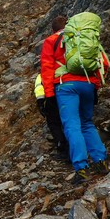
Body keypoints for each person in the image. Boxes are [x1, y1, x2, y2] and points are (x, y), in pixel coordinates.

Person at [40, 15, 109, 185]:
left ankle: (81, 168)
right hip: (88, 84)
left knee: (72, 125)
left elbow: (47, 69)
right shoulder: (84, 37)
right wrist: (95, 85)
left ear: (54, 29)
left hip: (66, 86)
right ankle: (100, 161)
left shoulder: (51, 41)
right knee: (87, 123)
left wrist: (49, 95)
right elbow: (104, 63)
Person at [36, 17, 69, 161]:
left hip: (58, 87)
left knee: (55, 121)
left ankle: (63, 148)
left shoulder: (51, 41)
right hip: (83, 83)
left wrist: (44, 99)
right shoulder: (78, 39)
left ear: (53, 30)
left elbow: (45, 73)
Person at [34, 73, 68, 161]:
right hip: (68, 96)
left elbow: (39, 89)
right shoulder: (64, 69)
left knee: (54, 124)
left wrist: (40, 103)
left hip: (51, 99)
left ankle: (62, 148)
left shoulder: (42, 75)